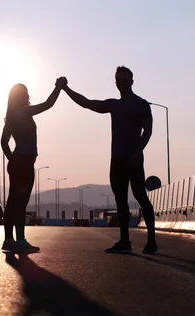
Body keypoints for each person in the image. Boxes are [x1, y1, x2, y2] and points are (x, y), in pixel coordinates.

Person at [60, 66, 158, 254]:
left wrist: (138, 151)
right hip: (117, 160)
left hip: (134, 159)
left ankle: (152, 241)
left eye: (123, 79)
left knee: (141, 197)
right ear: (115, 83)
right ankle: (124, 242)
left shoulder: (141, 104)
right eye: (117, 80)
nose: (120, 83)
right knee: (120, 200)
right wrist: (66, 89)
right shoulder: (113, 105)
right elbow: (86, 103)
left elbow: (148, 131)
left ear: (131, 81)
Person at [0, 77, 67, 252]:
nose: (26, 96)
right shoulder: (22, 112)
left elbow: (4, 141)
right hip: (23, 163)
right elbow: (48, 104)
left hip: (18, 162)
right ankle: (20, 240)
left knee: (13, 201)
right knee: (20, 203)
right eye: (24, 93)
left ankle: (9, 240)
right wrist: (58, 87)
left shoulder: (11, 115)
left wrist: (11, 159)